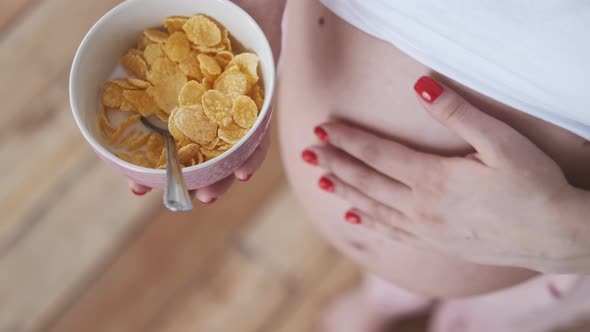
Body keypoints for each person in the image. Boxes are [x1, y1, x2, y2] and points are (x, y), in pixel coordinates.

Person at [129, 1, 590, 331]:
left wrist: (568, 237)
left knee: (493, 318)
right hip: (381, 220)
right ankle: (391, 292)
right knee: (405, 279)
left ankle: (493, 310)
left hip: (540, 264)